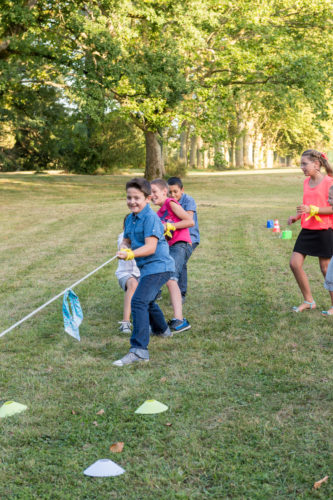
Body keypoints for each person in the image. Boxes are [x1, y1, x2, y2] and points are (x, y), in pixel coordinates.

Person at [113, 178, 175, 367]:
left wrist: (130, 254)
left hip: (160, 267)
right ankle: (163, 330)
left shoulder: (150, 218)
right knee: (146, 299)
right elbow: (127, 239)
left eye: (137, 198)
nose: (132, 201)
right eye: (129, 197)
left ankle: (139, 351)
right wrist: (124, 245)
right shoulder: (131, 219)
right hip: (147, 268)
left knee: (139, 300)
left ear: (147, 198)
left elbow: (150, 247)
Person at [288, 150, 333, 312]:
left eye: (304, 164)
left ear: (316, 164)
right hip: (307, 229)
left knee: (326, 269)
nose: (302, 167)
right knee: (294, 264)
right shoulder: (306, 183)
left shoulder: (329, 182)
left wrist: (312, 209)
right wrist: (296, 217)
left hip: (324, 230)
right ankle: (309, 301)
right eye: (301, 164)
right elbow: (306, 204)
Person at [151, 178, 194, 332]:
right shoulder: (157, 213)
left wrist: (170, 226)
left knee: (171, 278)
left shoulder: (170, 203)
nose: (152, 195)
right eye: (150, 193)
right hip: (169, 247)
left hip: (180, 244)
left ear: (164, 192)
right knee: (164, 277)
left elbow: (190, 221)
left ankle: (180, 321)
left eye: (155, 192)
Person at [167, 176, 200, 302]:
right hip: (175, 238)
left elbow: (189, 219)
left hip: (190, 238)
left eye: (175, 191)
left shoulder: (188, 200)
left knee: (180, 262)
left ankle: (181, 293)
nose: (173, 194)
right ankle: (158, 290)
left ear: (182, 190)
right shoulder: (168, 202)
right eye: (170, 192)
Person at [115, 215, 140, 333]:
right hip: (125, 273)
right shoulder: (122, 237)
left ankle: (147, 322)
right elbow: (123, 245)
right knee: (133, 284)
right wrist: (124, 250)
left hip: (141, 273)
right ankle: (125, 322)